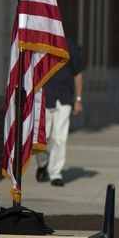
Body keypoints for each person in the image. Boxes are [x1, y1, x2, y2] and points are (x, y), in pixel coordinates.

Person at [35, 40, 85, 186]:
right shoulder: (41, 47)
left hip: (64, 98)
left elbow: (78, 74)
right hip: (44, 98)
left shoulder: (71, 48)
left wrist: (78, 99)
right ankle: (43, 163)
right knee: (43, 138)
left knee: (59, 138)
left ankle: (55, 173)